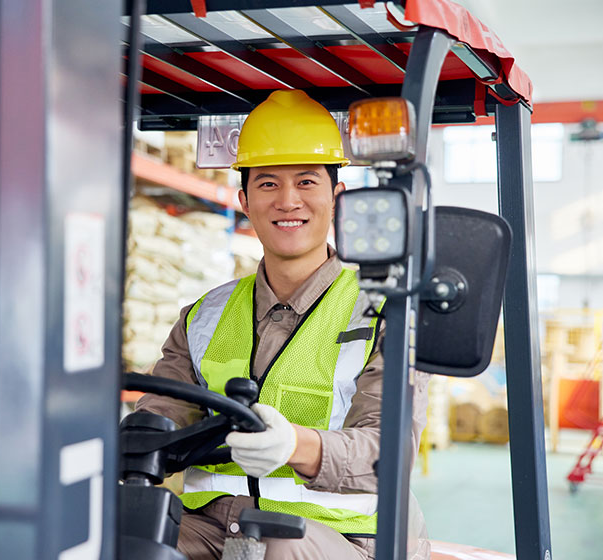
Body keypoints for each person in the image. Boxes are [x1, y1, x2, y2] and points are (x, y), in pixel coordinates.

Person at [136, 89, 430, 560]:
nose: (288, 201)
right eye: (269, 184)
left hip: (341, 541)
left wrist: (296, 445)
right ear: (245, 200)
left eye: (307, 182)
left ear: (338, 197)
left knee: (272, 547)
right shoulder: (203, 316)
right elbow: (161, 415)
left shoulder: (384, 314)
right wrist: (137, 437)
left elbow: (387, 452)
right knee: (112, 530)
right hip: (217, 530)